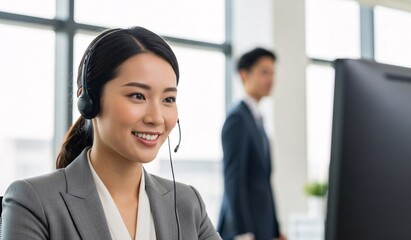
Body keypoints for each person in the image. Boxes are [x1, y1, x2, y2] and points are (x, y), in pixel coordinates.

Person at [1, 26, 221, 240]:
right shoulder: (33, 201)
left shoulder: (187, 203)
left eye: (168, 99)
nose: (156, 117)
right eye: (137, 96)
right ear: (89, 101)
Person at [217, 48, 286, 240]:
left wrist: (275, 228)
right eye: (264, 72)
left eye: (273, 73)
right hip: (244, 230)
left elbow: (264, 181)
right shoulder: (237, 119)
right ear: (244, 75)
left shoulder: (257, 119)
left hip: (262, 228)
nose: (271, 79)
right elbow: (233, 179)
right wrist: (243, 233)